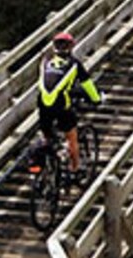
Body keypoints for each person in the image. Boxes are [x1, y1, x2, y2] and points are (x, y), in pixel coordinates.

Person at [37, 32, 101, 175]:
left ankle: (48, 168)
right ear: (71, 47)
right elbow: (87, 84)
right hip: (61, 106)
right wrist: (96, 99)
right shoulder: (74, 64)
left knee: (47, 135)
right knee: (71, 136)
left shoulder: (45, 61)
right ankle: (75, 167)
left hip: (42, 105)